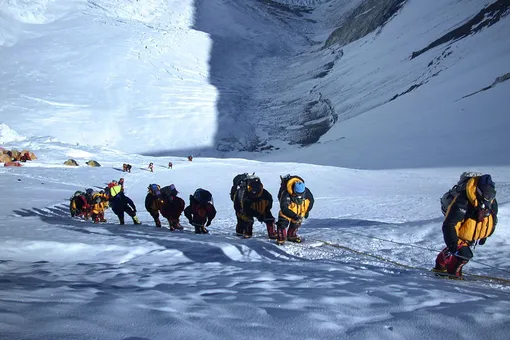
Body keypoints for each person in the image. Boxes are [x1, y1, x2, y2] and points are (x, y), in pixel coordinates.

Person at [434, 174, 498, 279]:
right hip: (459, 231)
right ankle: (453, 274)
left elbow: (493, 219)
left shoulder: (491, 202)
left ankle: (440, 265)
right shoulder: (463, 201)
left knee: (458, 251)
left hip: (470, 231)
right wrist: (453, 243)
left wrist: (485, 234)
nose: (488, 197)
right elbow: (450, 223)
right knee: (464, 254)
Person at [276, 175, 314, 245]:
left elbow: (311, 201)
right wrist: (294, 216)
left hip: (299, 210)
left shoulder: (307, 191)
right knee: (282, 223)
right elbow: (284, 208)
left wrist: (307, 211)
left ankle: (291, 236)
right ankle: (281, 238)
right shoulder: (286, 193)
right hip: (288, 211)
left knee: (296, 223)